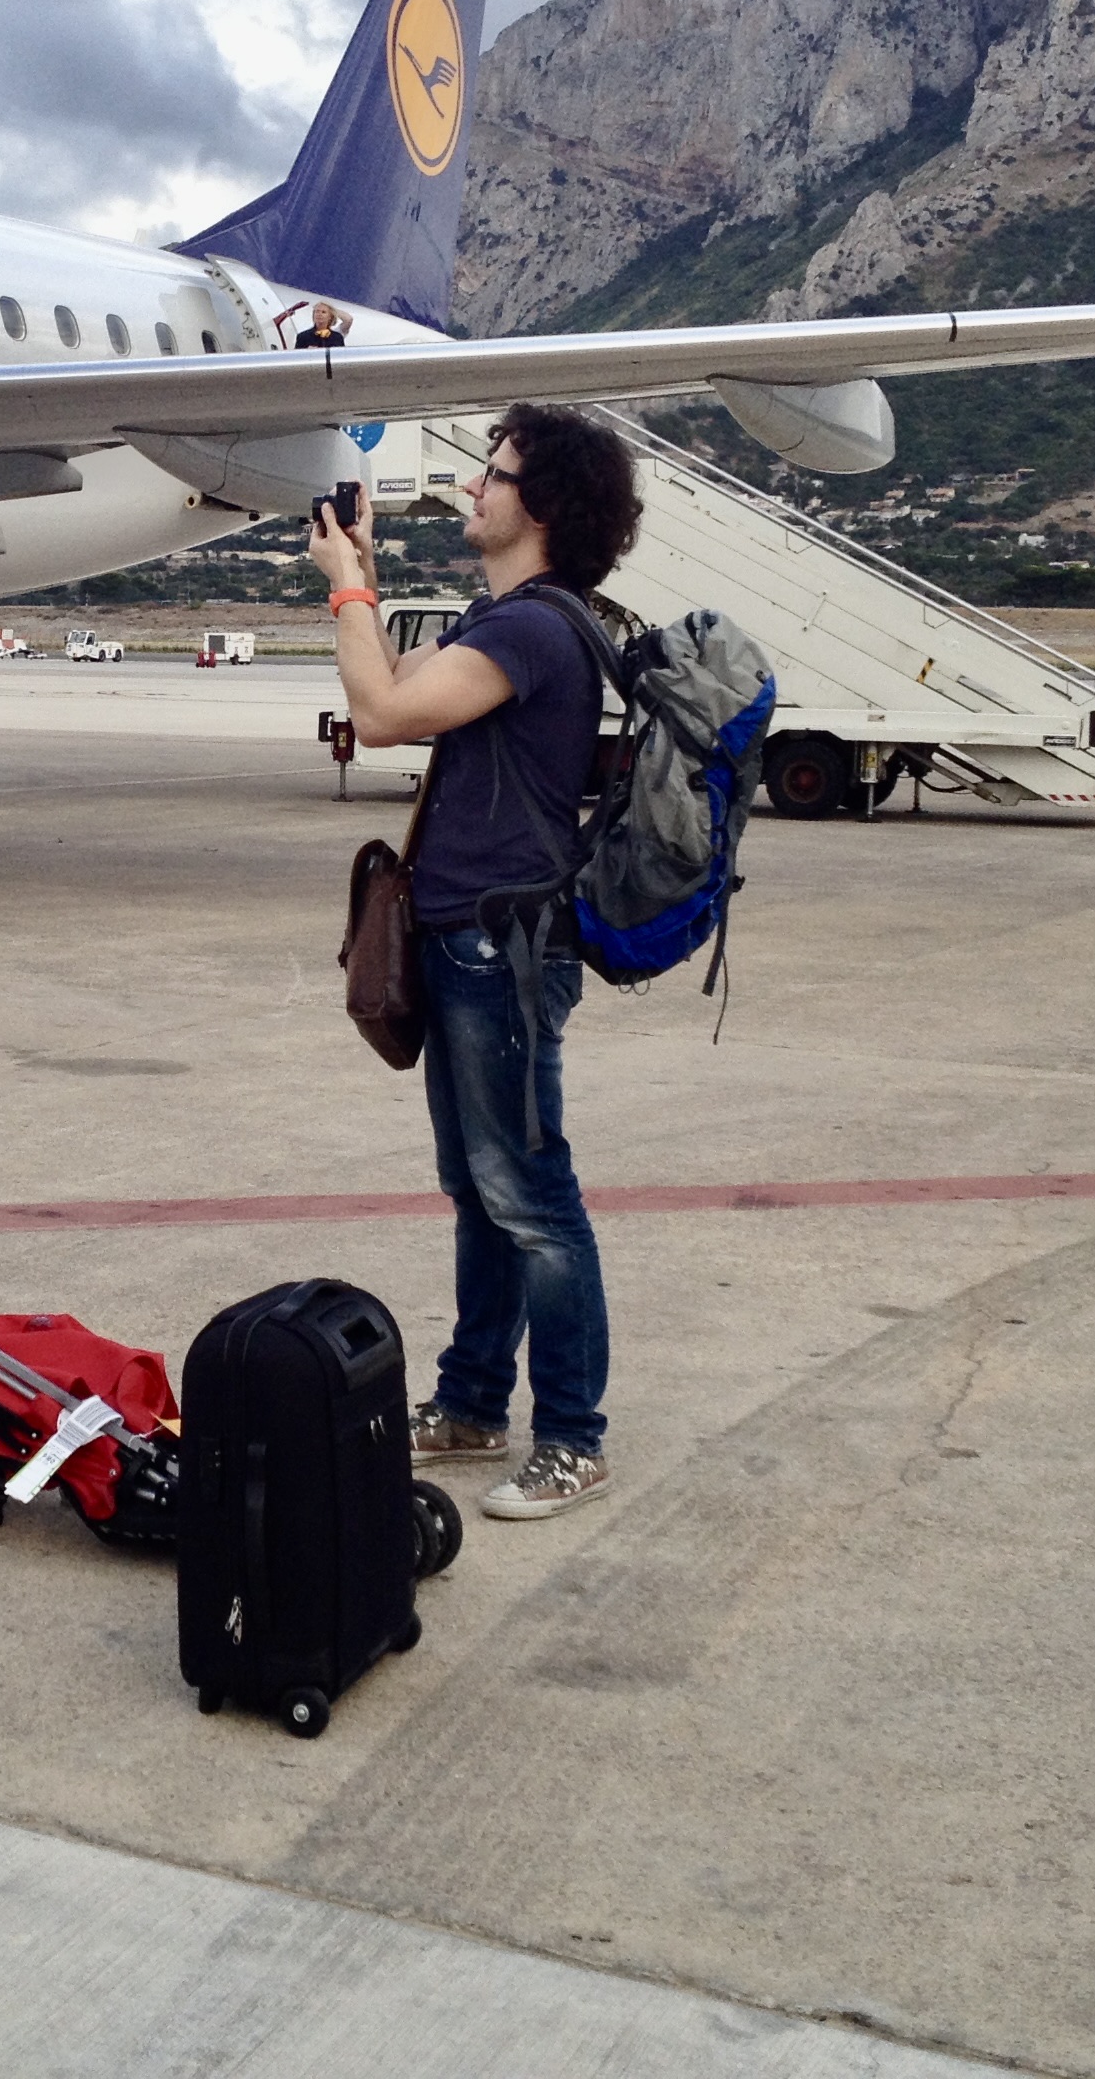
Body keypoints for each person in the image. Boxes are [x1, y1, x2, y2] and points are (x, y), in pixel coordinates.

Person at [305, 405, 644, 1520]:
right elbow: (396, 679)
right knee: (479, 1193)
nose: (472, 489)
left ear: (539, 506)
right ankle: (471, 1405)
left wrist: (344, 592)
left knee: (531, 1199)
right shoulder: (502, 621)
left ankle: (575, 1438)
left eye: (492, 475)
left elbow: (381, 715)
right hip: (466, 937)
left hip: (503, 948)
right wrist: (361, 572)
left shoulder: (535, 632)